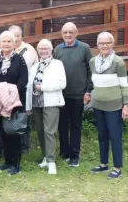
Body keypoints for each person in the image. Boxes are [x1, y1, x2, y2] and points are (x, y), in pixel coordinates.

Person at [0, 31, 28, 175]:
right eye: (3, 41)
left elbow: (23, 80)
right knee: (3, 132)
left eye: (9, 41)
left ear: (14, 43)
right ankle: (7, 161)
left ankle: (16, 164)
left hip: (14, 102)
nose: (6, 44)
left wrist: (10, 95)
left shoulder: (19, 59)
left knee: (13, 132)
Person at [89, 32, 128, 179]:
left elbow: (125, 86)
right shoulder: (93, 61)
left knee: (115, 136)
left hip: (114, 106)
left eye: (107, 43)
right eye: (101, 43)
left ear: (112, 44)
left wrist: (126, 105)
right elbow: (92, 81)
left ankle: (117, 168)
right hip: (98, 104)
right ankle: (103, 164)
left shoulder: (118, 62)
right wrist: (88, 93)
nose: (104, 46)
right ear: (97, 45)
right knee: (102, 135)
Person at [53, 22, 93, 167]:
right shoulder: (57, 49)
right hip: (61, 95)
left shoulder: (84, 48)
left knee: (75, 125)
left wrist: (88, 91)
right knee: (62, 124)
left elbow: (91, 70)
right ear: (61, 34)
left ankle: (75, 156)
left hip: (78, 94)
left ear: (76, 33)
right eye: (65, 33)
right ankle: (65, 152)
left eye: (71, 32)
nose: (68, 35)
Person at [26, 39, 66, 175]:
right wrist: (28, 104)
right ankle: (45, 156)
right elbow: (29, 87)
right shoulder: (35, 66)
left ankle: (51, 161)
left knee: (49, 131)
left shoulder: (57, 64)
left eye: (46, 49)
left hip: (51, 102)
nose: (43, 51)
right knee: (40, 131)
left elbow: (62, 83)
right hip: (36, 103)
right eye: (41, 49)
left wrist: (42, 87)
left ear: (51, 50)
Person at [9, 25, 39, 154]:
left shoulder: (29, 50)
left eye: (18, 35)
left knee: (24, 117)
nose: (15, 39)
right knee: (9, 117)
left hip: (24, 89)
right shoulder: (3, 49)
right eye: (13, 36)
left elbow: (36, 67)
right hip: (8, 91)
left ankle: (24, 146)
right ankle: (9, 145)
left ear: (21, 36)